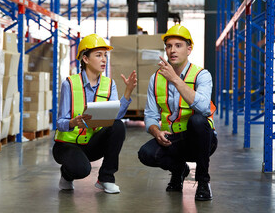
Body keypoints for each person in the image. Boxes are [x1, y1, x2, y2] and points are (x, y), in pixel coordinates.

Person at [137, 24, 218, 201]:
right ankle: (179, 170)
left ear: (189, 49)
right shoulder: (156, 78)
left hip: (201, 140)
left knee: (198, 120)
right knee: (145, 154)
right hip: (172, 139)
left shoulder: (201, 75)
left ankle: (203, 181)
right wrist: (156, 131)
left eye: (178, 45)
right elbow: (150, 115)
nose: (172, 50)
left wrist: (175, 80)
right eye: (169, 46)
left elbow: (204, 108)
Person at [53, 33, 137, 194]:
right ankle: (66, 174)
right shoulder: (69, 84)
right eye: (98, 55)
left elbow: (115, 117)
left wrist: (127, 92)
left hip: (92, 143)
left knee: (118, 126)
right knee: (81, 170)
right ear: (85, 58)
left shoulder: (109, 84)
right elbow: (60, 123)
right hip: (67, 145)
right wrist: (72, 122)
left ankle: (106, 178)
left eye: (105, 55)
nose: (104, 59)